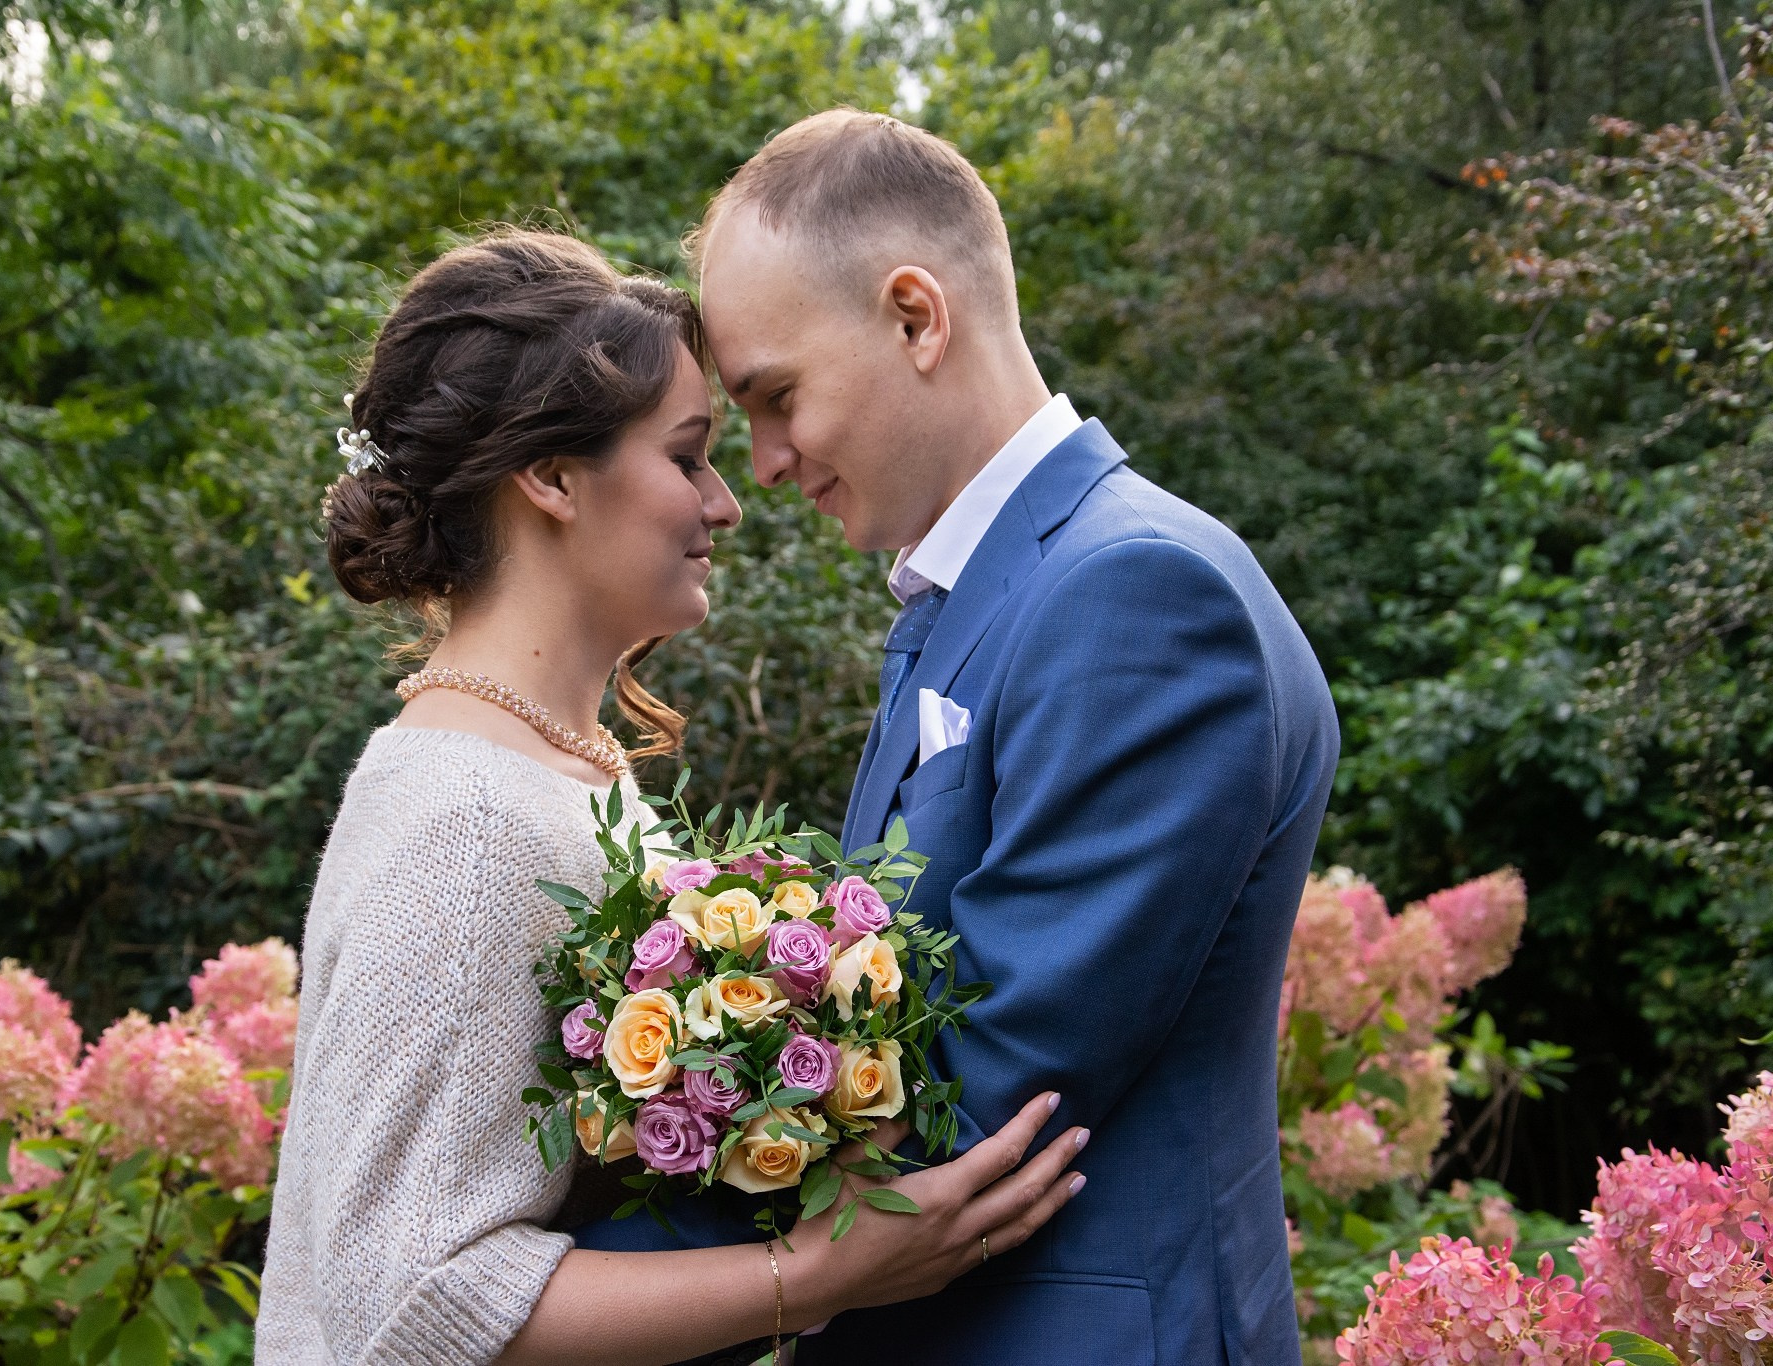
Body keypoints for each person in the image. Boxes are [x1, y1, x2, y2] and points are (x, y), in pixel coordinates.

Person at [585, 110, 1342, 1365]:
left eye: (776, 398)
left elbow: (972, 1083)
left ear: (914, 318)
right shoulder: (990, 594)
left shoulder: (1137, 594)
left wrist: (522, 1300)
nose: (762, 464)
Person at [253, 228, 1086, 1366]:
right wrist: (813, 1276)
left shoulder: (553, 767)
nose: (725, 502)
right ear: (551, 478)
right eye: (688, 456)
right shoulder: (469, 823)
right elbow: (409, 1300)